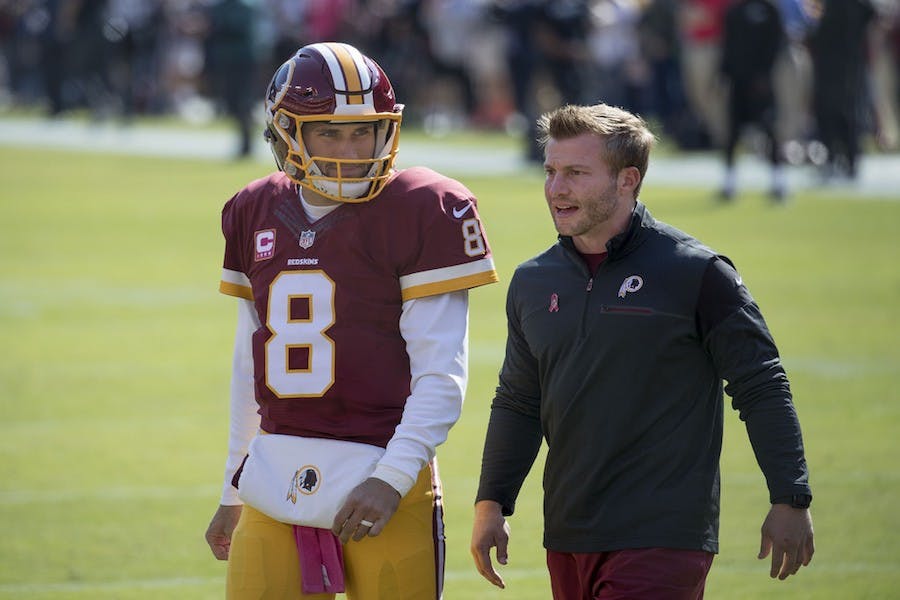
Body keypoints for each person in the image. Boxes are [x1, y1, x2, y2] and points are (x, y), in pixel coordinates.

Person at [470, 103, 814, 598]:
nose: (556, 188)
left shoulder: (697, 273)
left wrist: (790, 496)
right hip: (568, 532)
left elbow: (761, 384)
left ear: (627, 179)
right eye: (550, 171)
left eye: (575, 173)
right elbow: (520, 402)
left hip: (663, 535)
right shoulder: (531, 281)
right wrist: (492, 503)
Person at [204, 42, 499, 599]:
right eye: (329, 133)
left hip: (384, 475)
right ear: (288, 133)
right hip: (272, 478)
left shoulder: (422, 206)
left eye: (363, 130)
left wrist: (391, 478)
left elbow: (442, 373)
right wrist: (233, 489)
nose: (352, 149)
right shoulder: (253, 208)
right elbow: (251, 364)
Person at [718, 0, 788, 202]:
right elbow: (728, 46)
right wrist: (723, 76)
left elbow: (776, 44)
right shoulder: (735, 11)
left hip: (761, 85)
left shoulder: (770, 10)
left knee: (770, 130)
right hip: (737, 83)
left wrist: (765, 75)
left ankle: (778, 182)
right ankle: (729, 183)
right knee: (732, 132)